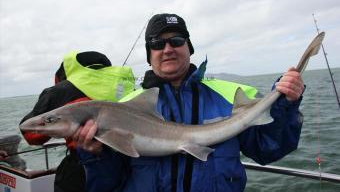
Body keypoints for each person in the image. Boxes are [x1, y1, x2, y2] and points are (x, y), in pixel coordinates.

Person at [75, 13, 305, 192]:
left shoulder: (231, 95)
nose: (167, 49)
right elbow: (106, 185)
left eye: (176, 40)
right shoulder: (123, 109)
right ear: (149, 54)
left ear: (189, 48)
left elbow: (268, 149)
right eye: (157, 43)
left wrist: (285, 104)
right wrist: (96, 156)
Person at [19, 51, 135, 192]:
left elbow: (31, 134)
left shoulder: (63, 89)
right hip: (129, 161)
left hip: (82, 165)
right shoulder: (124, 85)